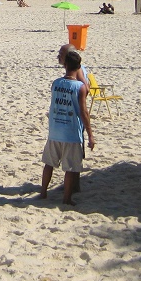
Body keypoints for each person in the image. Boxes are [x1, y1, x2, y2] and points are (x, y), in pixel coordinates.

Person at [39, 50, 94, 205]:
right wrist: (90, 134)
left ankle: (43, 192)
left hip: (55, 129)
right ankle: (66, 198)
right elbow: (84, 112)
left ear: (65, 65)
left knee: (49, 163)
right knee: (70, 167)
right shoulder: (79, 87)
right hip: (71, 131)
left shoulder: (56, 83)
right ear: (78, 67)